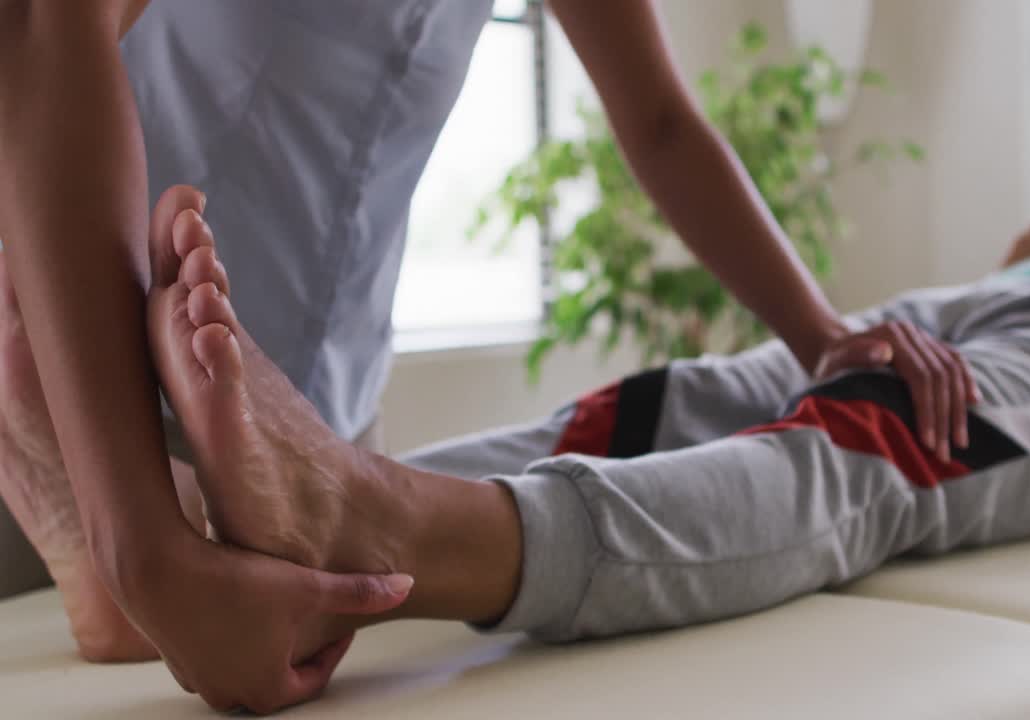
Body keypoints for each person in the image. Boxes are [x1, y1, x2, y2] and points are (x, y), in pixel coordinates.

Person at [8, 196, 1030, 714]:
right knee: (676, 396)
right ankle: (199, 529)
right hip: (1011, 300)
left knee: (886, 436)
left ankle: (390, 521)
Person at [0, 2, 904, 710]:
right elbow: (45, 26)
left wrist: (821, 333)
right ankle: (94, 533)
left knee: (325, 561)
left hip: (311, 401)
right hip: (79, 354)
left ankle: (188, 519)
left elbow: (662, 121)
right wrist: (138, 547)